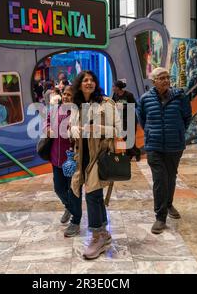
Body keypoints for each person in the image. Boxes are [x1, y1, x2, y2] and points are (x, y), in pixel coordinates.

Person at [68, 70, 119, 259]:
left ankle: (97, 236)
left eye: (92, 80)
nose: (89, 83)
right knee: (95, 195)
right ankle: (104, 234)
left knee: (91, 193)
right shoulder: (77, 105)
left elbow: (118, 129)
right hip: (83, 157)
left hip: (101, 154)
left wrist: (95, 128)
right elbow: (72, 129)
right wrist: (75, 130)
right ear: (79, 84)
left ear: (96, 83)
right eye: (85, 80)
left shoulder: (106, 103)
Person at [137, 67, 192, 234]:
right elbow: (142, 119)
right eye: (162, 78)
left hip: (174, 144)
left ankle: (168, 204)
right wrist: (152, 132)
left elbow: (187, 117)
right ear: (154, 82)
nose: (166, 81)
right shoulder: (145, 99)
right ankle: (160, 217)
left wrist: (178, 131)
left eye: (167, 77)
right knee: (160, 179)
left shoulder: (180, 97)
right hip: (154, 145)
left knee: (171, 176)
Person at [47, 86, 74, 226]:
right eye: (64, 94)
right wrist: (47, 129)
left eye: (69, 94)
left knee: (71, 188)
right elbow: (47, 121)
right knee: (58, 188)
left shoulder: (76, 112)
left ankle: (74, 213)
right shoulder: (55, 110)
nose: (66, 97)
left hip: (71, 158)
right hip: (55, 156)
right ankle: (69, 207)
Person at [112, 80, 141, 161]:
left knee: (130, 137)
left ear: (118, 88)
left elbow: (135, 105)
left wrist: (124, 107)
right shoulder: (115, 95)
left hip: (130, 118)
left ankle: (136, 153)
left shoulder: (128, 95)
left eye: (113, 86)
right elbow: (113, 103)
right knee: (124, 137)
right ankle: (131, 154)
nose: (112, 88)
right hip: (121, 119)